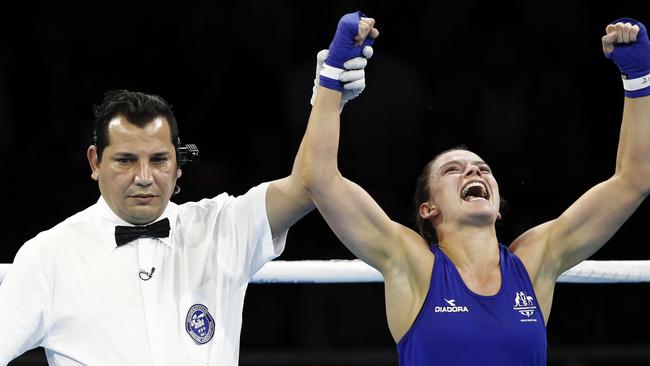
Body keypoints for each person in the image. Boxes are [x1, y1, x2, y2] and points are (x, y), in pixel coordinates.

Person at [302, 12, 650, 365]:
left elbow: (633, 181)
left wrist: (639, 80)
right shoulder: (411, 263)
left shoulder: (534, 261)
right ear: (428, 208)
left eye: (483, 169)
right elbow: (320, 179)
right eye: (454, 170)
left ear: (498, 206)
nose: (473, 170)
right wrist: (331, 78)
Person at [0, 47, 372, 364]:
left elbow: (309, 183)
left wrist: (328, 95)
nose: (144, 176)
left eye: (159, 160)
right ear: (96, 162)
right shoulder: (49, 256)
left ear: (178, 164)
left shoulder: (221, 228)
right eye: (126, 160)